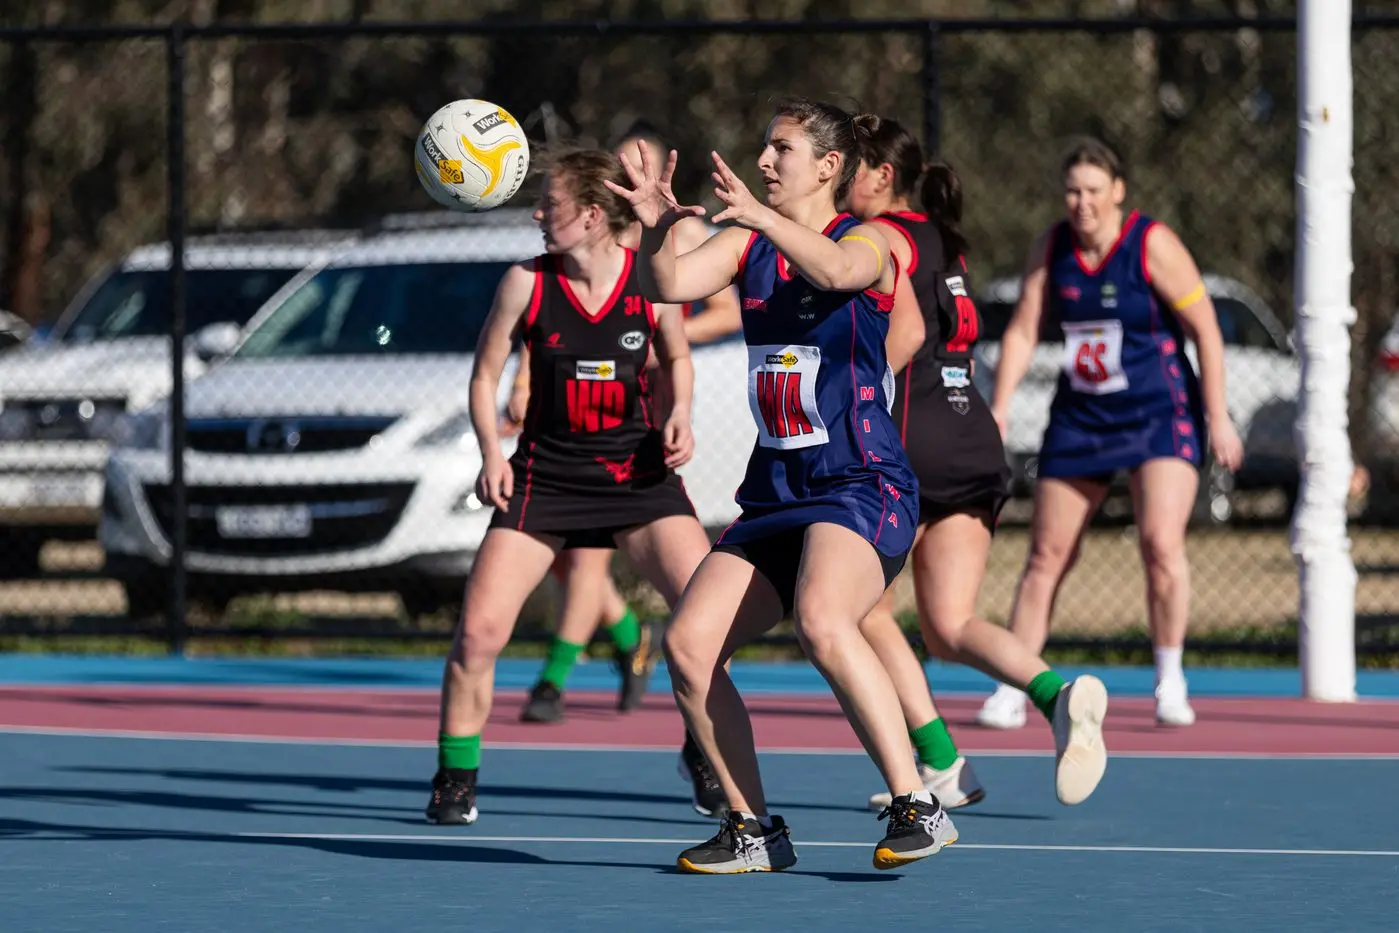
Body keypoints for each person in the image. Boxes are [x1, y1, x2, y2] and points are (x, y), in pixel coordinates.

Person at [608, 97, 958, 874]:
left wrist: (758, 223)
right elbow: (665, 283)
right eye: (764, 147)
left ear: (830, 166)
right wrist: (659, 222)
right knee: (690, 646)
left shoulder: (873, 240)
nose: (764, 162)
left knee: (824, 618)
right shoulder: (745, 246)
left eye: (782, 150)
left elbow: (835, 271)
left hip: (859, 484)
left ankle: (916, 802)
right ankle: (751, 827)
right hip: (776, 491)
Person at [425, 147, 714, 826]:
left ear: (588, 215)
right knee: (477, 635)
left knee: (707, 619)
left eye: (547, 205)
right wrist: (491, 453)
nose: (536, 214)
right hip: (544, 479)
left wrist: (679, 412)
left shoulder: (650, 278)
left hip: (638, 477)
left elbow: (676, 354)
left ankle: (702, 749)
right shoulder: (525, 283)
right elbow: (482, 374)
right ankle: (454, 775)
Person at [843, 116, 1109, 812]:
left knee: (856, 608)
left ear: (881, 176)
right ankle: (1056, 694)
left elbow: (891, 337)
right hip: (970, 437)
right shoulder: (944, 240)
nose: (838, 177)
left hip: (909, 440)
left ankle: (936, 760)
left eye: (849, 165)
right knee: (949, 626)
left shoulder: (880, 239)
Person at [980, 137, 1243, 730]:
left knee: (1159, 542)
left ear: (1118, 192)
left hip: (1158, 413)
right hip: (1081, 418)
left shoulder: (1152, 244)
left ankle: (1169, 677)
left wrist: (1217, 413)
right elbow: (1023, 329)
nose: (1082, 203)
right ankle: (1015, 685)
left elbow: (1206, 328)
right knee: (1046, 553)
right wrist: (999, 406)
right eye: (1072, 190)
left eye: (1094, 190)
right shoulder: (1052, 248)